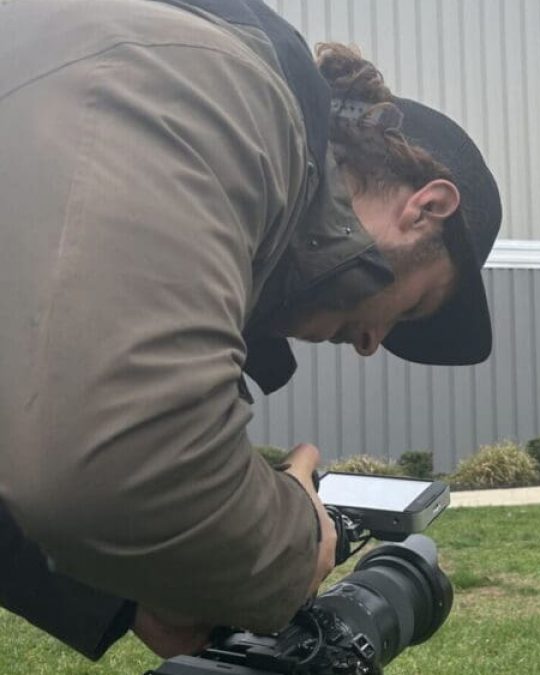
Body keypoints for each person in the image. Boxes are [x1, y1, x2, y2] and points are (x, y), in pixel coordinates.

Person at [0, 0, 500, 662]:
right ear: (426, 208)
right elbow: (114, 463)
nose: (371, 343)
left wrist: (125, 597)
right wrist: (298, 542)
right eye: (407, 311)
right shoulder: (224, 92)